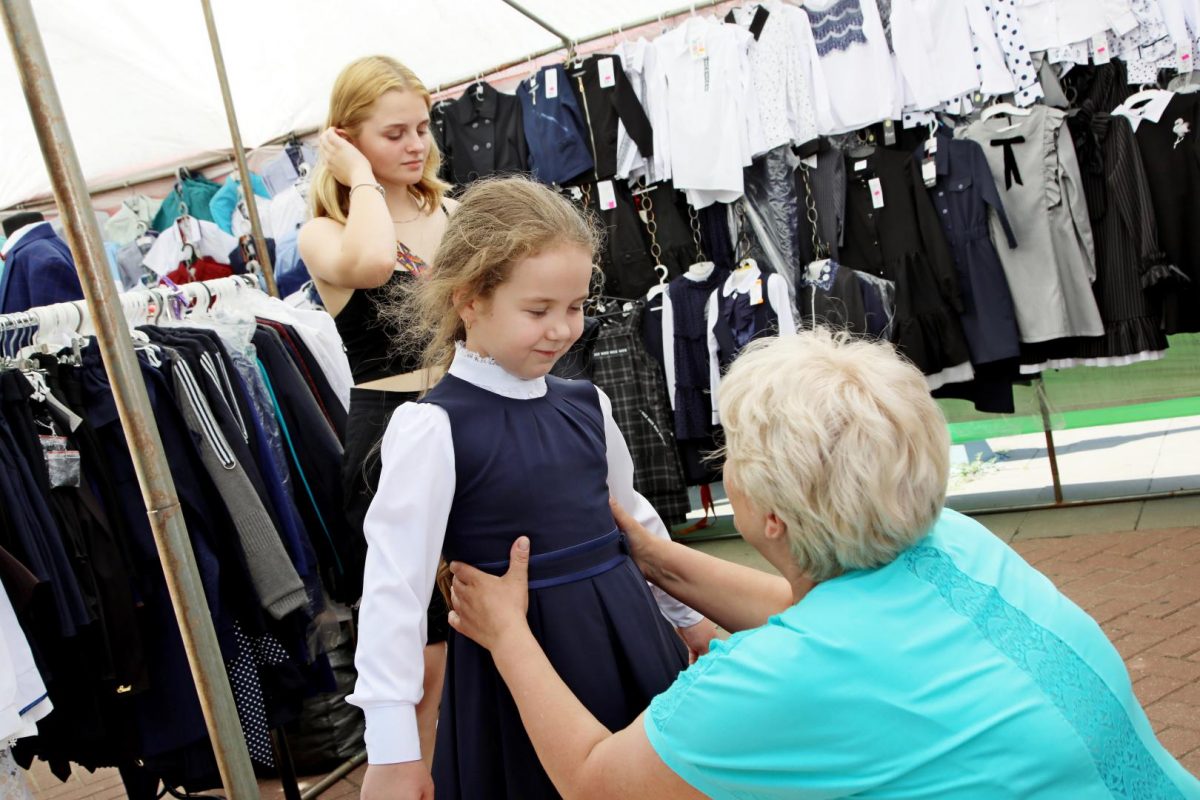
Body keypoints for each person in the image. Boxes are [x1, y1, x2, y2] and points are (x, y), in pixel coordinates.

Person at [447, 328, 1200, 799]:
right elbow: (819, 622)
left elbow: (592, 782)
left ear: (771, 515)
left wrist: (508, 635)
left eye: (734, 453)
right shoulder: (955, 540)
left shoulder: (778, 676)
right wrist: (655, 559)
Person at [350, 176, 719, 800]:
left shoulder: (587, 403)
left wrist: (690, 621)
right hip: (518, 670)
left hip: (632, 640)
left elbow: (635, 524)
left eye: (574, 307)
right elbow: (394, 590)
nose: (562, 329)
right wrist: (391, 749)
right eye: (538, 311)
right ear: (470, 300)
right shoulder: (432, 427)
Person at [297, 55, 455, 765]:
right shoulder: (325, 234)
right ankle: (422, 769)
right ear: (347, 137)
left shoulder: (448, 209)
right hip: (391, 432)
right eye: (394, 133)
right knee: (419, 627)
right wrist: (360, 178)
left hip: (467, 414)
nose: (416, 145)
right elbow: (368, 265)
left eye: (422, 127)